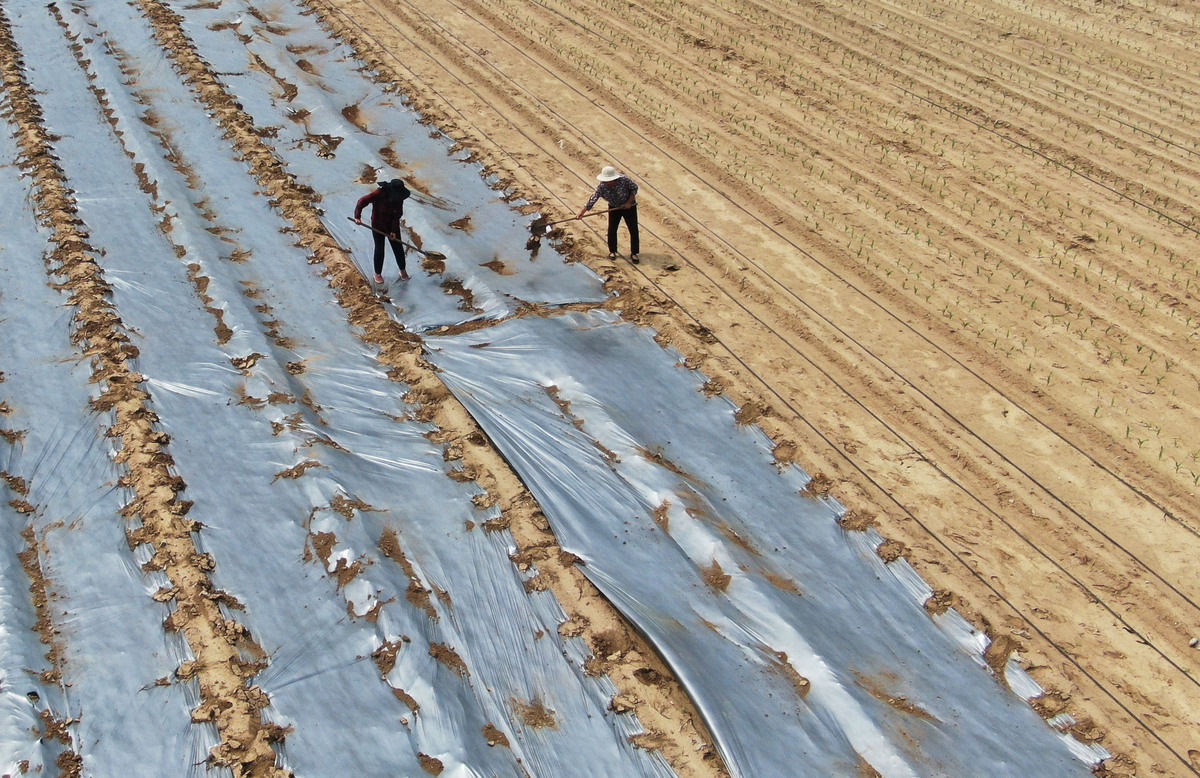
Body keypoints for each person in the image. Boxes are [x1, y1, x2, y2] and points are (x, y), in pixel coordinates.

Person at [578, 166, 640, 264]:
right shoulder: (602, 186)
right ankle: (612, 251)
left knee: (633, 229)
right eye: (607, 181)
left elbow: (634, 189)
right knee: (612, 228)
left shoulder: (624, 180)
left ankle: (634, 253)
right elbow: (594, 198)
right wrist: (582, 212)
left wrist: (628, 202)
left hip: (629, 206)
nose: (609, 182)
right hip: (614, 207)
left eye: (611, 180)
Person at [354, 179, 411, 282]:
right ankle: (378, 274)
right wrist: (357, 217)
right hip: (378, 225)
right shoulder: (379, 193)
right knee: (379, 249)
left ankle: (402, 270)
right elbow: (362, 201)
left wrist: (393, 231)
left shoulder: (399, 199)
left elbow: (397, 215)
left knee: (398, 248)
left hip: (391, 225)